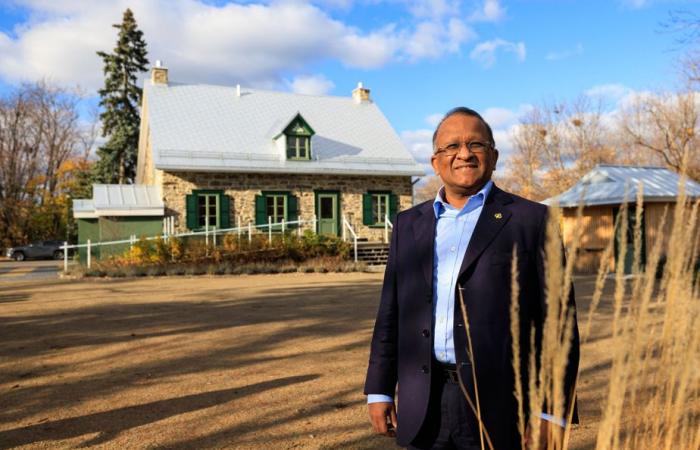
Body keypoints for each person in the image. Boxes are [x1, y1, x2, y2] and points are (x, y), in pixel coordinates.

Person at [364, 107, 579, 450]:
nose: (463, 153)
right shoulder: (408, 224)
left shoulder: (532, 221)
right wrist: (378, 388)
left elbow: (559, 325)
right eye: (451, 146)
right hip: (424, 402)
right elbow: (390, 314)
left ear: (493, 156)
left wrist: (551, 412)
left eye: (475, 144)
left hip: (501, 407)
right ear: (436, 161)